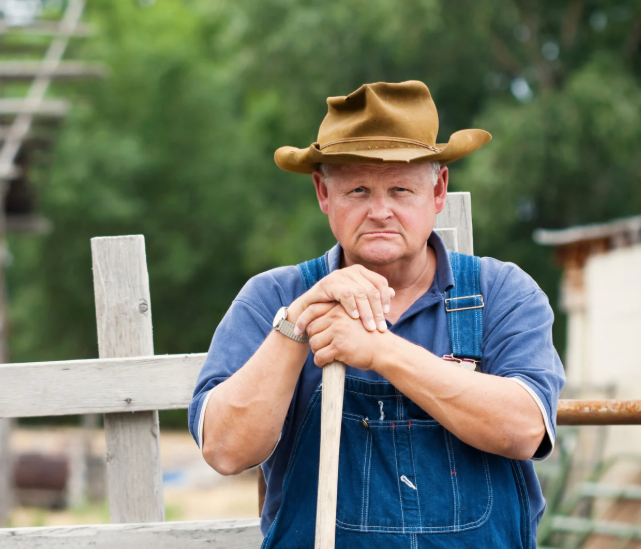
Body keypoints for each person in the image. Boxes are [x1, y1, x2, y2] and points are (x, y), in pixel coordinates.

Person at [188, 81, 565, 548]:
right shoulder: (273, 298)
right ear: (324, 192)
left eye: (401, 189)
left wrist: (380, 350)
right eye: (359, 189)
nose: (380, 211)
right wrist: (296, 325)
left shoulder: (500, 293)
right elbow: (225, 450)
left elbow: (525, 430)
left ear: (438, 190)